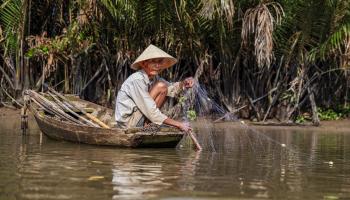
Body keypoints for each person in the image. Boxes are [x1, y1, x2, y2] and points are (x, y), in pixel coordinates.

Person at [115, 44, 194, 132]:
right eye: (153, 62)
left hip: (139, 118)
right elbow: (150, 110)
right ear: (144, 63)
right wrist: (179, 124)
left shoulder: (154, 78)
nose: (157, 65)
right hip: (129, 123)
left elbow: (172, 89)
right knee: (161, 86)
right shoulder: (137, 80)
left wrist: (184, 83)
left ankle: (147, 124)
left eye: (160, 62)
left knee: (164, 87)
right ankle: (147, 124)